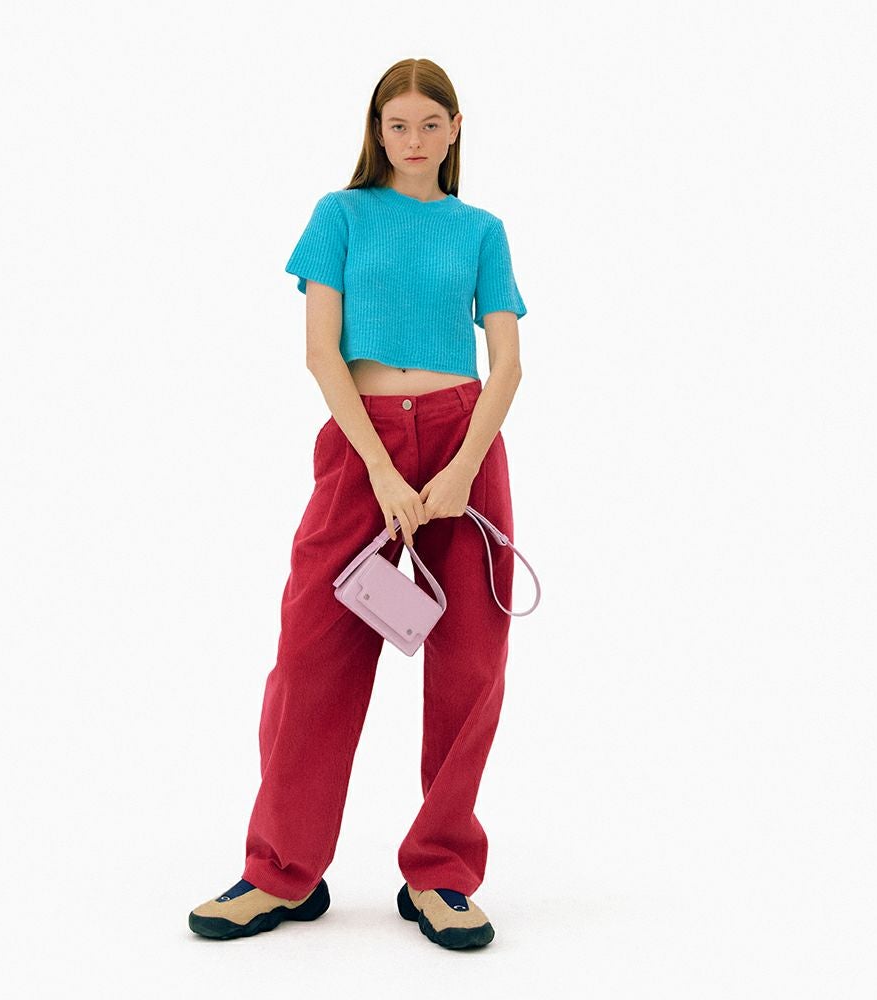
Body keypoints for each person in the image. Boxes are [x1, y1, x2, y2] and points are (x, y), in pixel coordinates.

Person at [188, 57, 526, 951]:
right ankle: (281, 871)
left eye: (429, 124)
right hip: (361, 444)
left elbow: (508, 365)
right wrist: (380, 470)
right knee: (312, 651)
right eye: (397, 124)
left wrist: (462, 470)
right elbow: (321, 352)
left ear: (455, 129)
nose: (413, 140)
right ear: (377, 130)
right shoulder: (339, 215)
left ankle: (442, 874)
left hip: (463, 439)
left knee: (471, 661)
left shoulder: (482, 230)